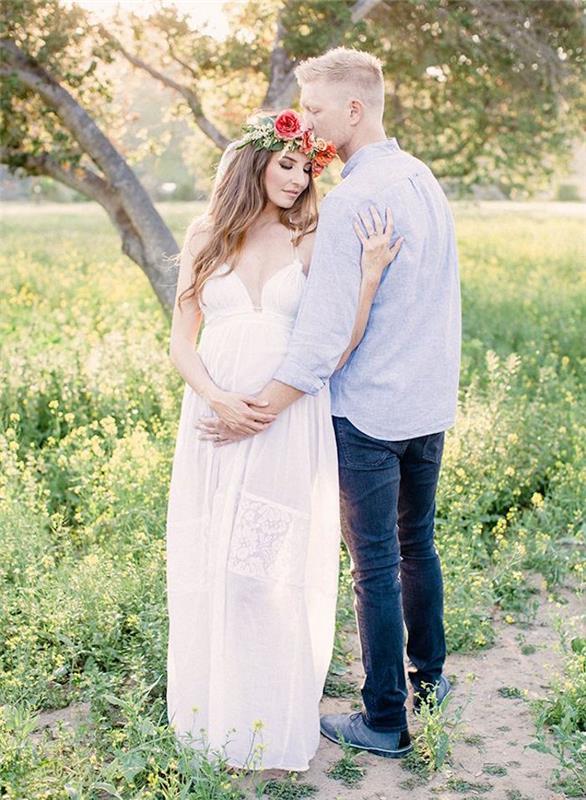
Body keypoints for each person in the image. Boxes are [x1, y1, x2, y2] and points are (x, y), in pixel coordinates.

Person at [198, 47, 461, 760]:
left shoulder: (352, 200)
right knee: (417, 547)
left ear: (353, 108)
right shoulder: (423, 180)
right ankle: (430, 686)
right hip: (427, 407)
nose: (307, 124)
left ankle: (383, 718)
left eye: (314, 108)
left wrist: (255, 409)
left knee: (374, 563)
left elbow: (317, 343)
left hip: (370, 414)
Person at [165, 108, 402, 771]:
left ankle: (264, 719)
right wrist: (216, 397)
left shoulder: (311, 240)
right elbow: (182, 338)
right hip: (214, 422)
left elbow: (334, 344)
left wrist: (371, 278)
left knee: (260, 572)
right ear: (254, 161)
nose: (299, 179)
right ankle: (211, 714)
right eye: (288, 163)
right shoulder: (206, 234)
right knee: (209, 563)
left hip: (283, 421)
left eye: (307, 167)